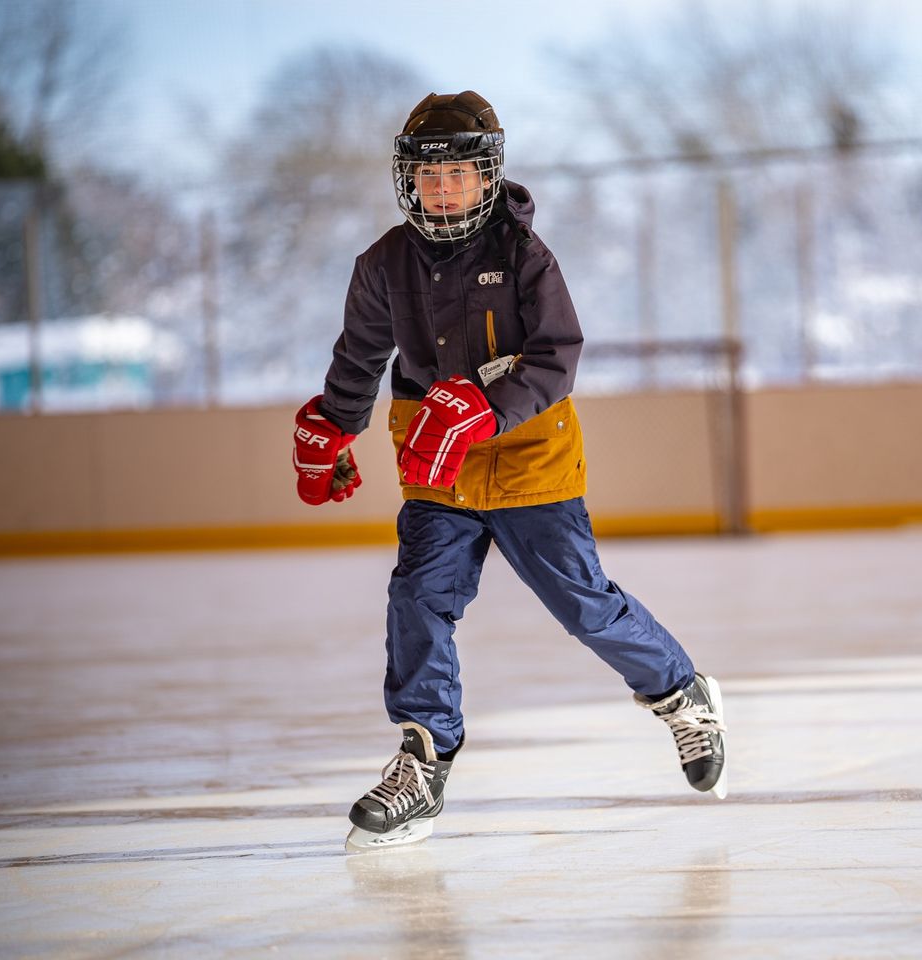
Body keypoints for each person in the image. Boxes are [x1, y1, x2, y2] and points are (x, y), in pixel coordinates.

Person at [289, 91, 727, 853]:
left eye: (460, 175)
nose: (445, 190)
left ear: (488, 176)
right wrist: (334, 423)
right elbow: (361, 353)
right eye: (431, 178)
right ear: (407, 181)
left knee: (584, 605)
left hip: (529, 456)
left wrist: (489, 409)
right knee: (419, 596)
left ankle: (680, 693)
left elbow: (558, 356)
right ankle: (424, 758)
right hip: (437, 462)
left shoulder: (525, 256)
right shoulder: (383, 263)